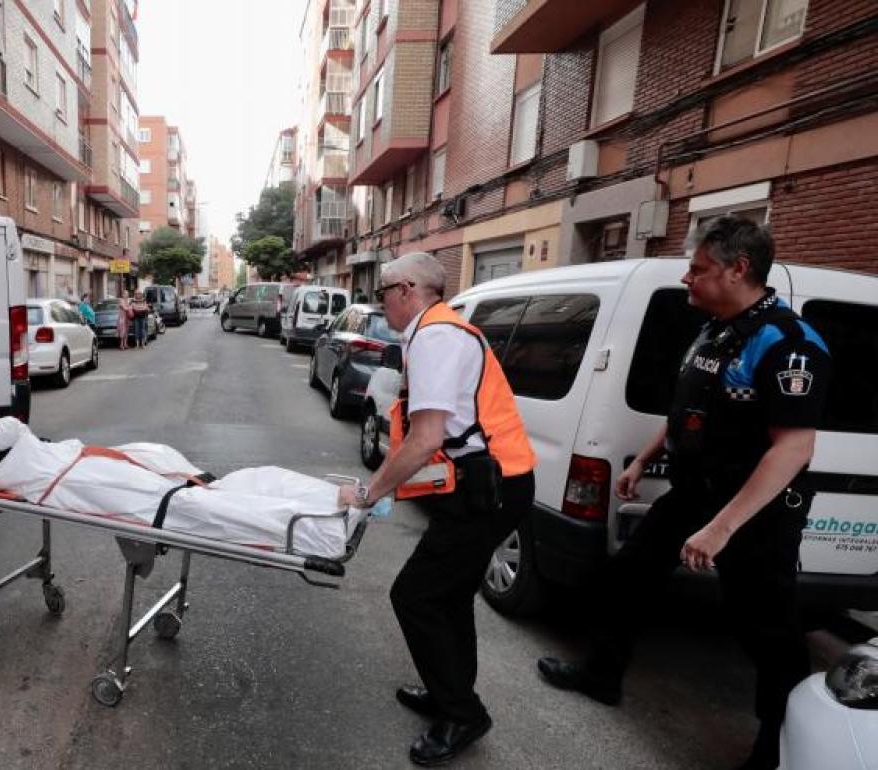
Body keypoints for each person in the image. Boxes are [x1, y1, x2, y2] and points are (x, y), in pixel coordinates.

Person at [535, 216, 831, 770]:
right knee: (625, 576)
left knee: (767, 631)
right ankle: (602, 674)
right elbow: (690, 408)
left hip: (756, 511)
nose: (686, 279)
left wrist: (722, 528)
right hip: (694, 490)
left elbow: (792, 449)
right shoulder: (713, 330)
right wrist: (646, 459)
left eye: (697, 269)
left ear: (738, 269)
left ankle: (775, 749)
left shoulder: (790, 344)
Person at [337, 252, 536, 767]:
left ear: (407, 289)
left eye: (383, 292)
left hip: (489, 487)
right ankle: (447, 691)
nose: (380, 302)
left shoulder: (437, 337)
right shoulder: (435, 333)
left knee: (416, 596)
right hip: (485, 484)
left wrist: (368, 493)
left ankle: (462, 713)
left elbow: (424, 440)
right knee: (448, 598)